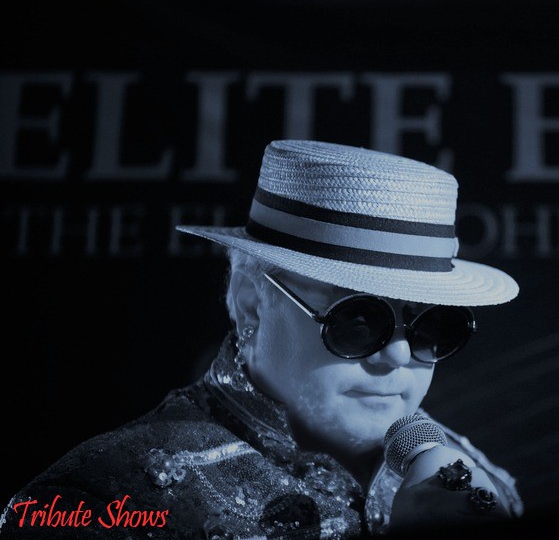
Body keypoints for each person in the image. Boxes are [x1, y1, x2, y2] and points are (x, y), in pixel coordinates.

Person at [1, 140, 523, 538]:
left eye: (433, 326)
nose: (399, 354)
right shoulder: (99, 500)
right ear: (252, 301)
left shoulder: (473, 477)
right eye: (359, 319)